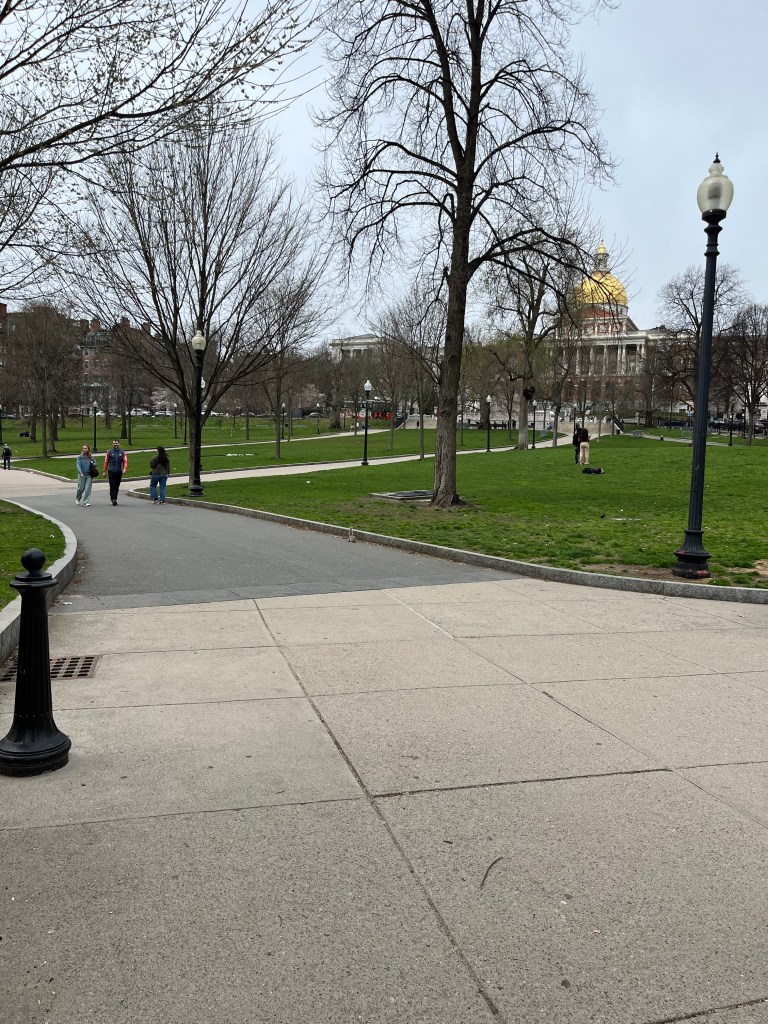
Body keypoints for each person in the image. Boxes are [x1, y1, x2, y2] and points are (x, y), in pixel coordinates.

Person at [103, 439, 128, 506]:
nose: (115, 444)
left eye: (116, 443)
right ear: (112, 444)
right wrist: (104, 471)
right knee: (112, 485)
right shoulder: (109, 452)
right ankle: (113, 499)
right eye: (114, 443)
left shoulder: (122, 452)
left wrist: (124, 469)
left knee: (117, 485)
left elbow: (125, 461)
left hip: (119, 471)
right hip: (111, 471)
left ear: (118, 444)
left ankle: (114, 498)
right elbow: (106, 461)